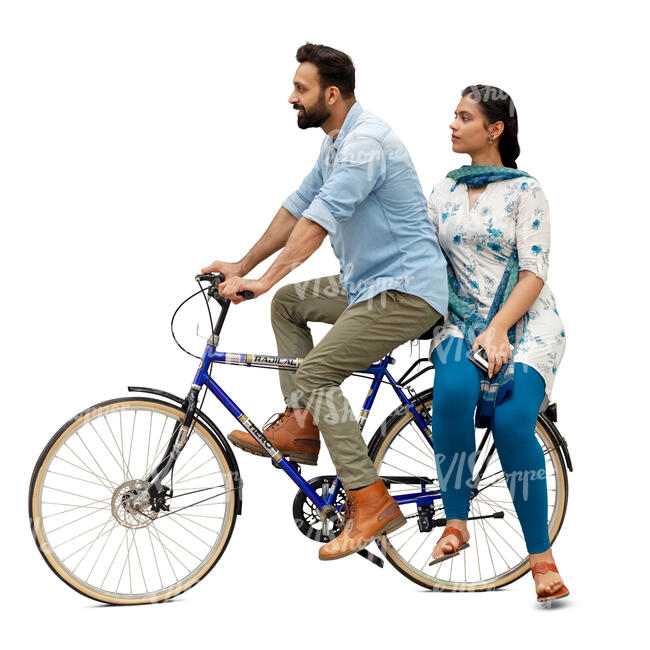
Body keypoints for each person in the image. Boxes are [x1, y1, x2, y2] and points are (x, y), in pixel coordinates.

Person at [200, 43, 448, 560]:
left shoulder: (367, 144)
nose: (291, 97)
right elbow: (296, 208)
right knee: (290, 304)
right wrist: (242, 267)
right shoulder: (337, 141)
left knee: (316, 372)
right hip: (367, 284)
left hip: (405, 292)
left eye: (301, 88)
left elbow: (319, 221)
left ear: (331, 94)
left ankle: (370, 500)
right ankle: (304, 425)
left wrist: (264, 278)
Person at [425, 85, 569, 602]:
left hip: (525, 322)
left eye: (464, 117)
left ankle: (542, 560)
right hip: (460, 323)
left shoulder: (526, 190)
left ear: (495, 130)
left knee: (512, 423)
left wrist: (500, 329)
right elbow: (422, 257)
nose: (452, 125)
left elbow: (534, 270)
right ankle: (456, 521)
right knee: (453, 394)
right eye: (453, 116)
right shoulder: (442, 190)